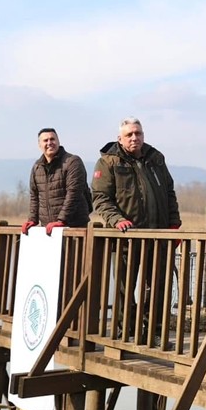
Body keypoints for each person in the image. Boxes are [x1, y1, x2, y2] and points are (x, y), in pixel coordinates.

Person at [92, 118, 181, 341]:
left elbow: (169, 192)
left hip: (159, 234)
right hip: (127, 237)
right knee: (124, 287)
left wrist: (174, 224)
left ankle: (154, 332)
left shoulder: (156, 158)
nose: (135, 138)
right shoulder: (108, 162)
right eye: (129, 134)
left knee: (160, 285)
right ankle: (124, 333)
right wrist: (116, 219)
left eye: (138, 133)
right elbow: (101, 198)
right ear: (120, 139)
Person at [22, 128, 92, 235]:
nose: (50, 143)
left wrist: (61, 221)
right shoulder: (37, 167)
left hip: (74, 228)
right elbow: (34, 196)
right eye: (45, 141)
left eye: (52, 139)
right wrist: (32, 219)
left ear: (58, 141)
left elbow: (73, 194)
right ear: (39, 145)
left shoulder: (73, 162)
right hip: (48, 230)